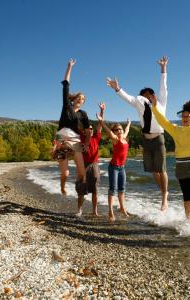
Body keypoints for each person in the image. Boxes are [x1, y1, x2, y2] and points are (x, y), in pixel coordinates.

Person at [106, 56, 169, 211]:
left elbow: (163, 87)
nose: (149, 96)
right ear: (143, 96)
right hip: (147, 140)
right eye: (146, 94)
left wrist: (163, 69)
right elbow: (127, 98)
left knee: (162, 169)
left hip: (159, 138)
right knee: (153, 170)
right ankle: (162, 192)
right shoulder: (139, 103)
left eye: (150, 94)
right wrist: (117, 89)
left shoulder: (161, 103)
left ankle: (165, 196)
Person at [150, 86, 190, 222]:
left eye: (188, 116)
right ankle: (189, 223)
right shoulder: (176, 129)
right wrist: (154, 107)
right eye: (183, 116)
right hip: (181, 166)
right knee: (186, 196)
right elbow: (163, 121)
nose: (185, 118)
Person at [52, 58, 91, 198]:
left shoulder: (83, 114)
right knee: (65, 173)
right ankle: (62, 187)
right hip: (62, 139)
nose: (81, 99)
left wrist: (86, 143)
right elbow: (66, 85)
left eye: (83, 99)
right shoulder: (66, 106)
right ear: (74, 99)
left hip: (75, 141)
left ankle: (81, 193)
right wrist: (69, 67)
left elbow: (88, 131)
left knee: (82, 173)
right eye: (79, 97)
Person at [96, 113, 131, 222]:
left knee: (122, 189)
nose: (119, 131)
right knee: (112, 189)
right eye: (117, 130)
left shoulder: (124, 137)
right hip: (114, 167)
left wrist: (129, 123)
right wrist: (101, 121)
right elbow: (107, 130)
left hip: (122, 168)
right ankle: (110, 211)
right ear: (114, 132)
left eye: (120, 129)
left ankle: (122, 208)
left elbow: (127, 130)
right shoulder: (115, 139)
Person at [75, 102, 105, 217]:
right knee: (81, 188)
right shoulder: (81, 137)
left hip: (94, 165)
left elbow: (100, 125)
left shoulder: (96, 138)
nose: (90, 130)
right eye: (88, 129)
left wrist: (102, 111)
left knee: (95, 189)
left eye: (91, 129)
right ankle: (79, 210)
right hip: (83, 165)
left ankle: (94, 211)